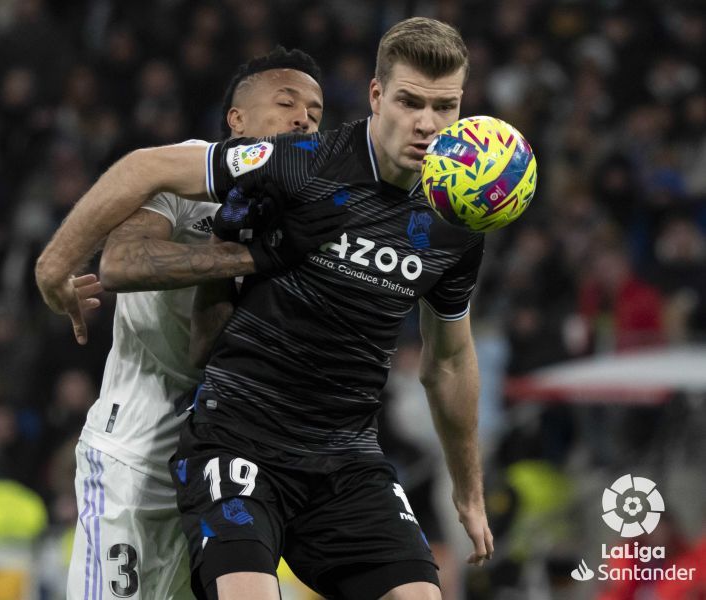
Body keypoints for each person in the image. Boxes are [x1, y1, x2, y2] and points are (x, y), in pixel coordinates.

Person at [35, 17, 494, 600]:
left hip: (341, 454)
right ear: (378, 97)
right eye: (409, 101)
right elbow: (125, 256)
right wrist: (55, 266)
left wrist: (469, 489)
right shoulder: (282, 166)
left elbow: (450, 362)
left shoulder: (451, 215)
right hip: (193, 437)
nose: (428, 123)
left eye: (445, 107)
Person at [57, 47, 333, 600]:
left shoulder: (310, 212)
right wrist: (248, 257)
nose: (304, 116)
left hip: (227, 469)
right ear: (237, 121)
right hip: (135, 454)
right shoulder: (188, 170)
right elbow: (122, 263)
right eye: (286, 102)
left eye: (316, 110)